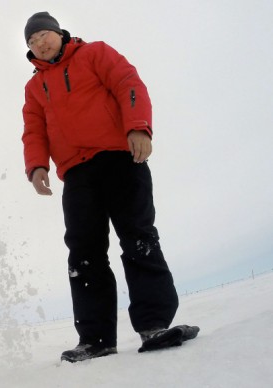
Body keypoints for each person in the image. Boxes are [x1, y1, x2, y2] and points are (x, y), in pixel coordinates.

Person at [21, 11, 198, 363]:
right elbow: (34, 129)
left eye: (43, 34)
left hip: (120, 157)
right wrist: (37, 165)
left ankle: (154, 325)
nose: (39, 43)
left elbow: (128, 84)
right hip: (76, 173)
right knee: (83, 253)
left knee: (137, 237)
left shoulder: (94, 53)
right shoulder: (34, 87)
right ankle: (96, 339)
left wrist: (138, 127)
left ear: (59, 33)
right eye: (31, 40)